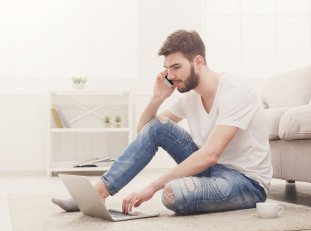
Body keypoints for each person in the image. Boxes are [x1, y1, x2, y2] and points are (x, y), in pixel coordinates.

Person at [52, 29, 272, 215]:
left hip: (245, 182)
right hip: (211, 170)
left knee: (172, 194)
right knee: (160, 127)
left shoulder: (235, 92)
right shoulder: (189, 96)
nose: (171, 75)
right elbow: (146, 132)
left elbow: (210, 154)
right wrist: (157, 99)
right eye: (167, 69)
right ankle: (98, 193)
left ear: (198, 61)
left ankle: (185, 190)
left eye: (176, 67)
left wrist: (152, 187)